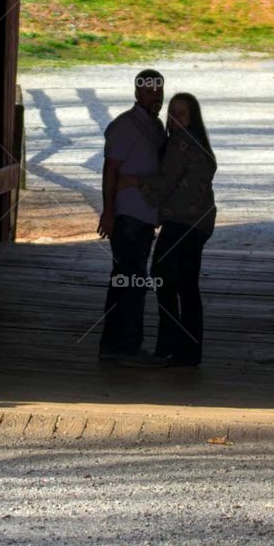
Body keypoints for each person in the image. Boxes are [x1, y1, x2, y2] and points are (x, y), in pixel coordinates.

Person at [119, 93, 217, 367]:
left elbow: (166, 181)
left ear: (192, 117)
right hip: (199, 223)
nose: (175, 118)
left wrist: (133, 182)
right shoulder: (200, 143)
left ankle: (171, 345)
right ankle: (187, 350)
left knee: (163, 278)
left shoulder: (180, 143)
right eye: (172, 113)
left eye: (181, 113)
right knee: (186, 285)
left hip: (182, 223)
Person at [97, 70, 166, 365]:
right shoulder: (125, 126)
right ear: (137, 93)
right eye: (150, 91)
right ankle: (126, 348)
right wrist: (108, 212)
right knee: (131, 282)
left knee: (127, 281)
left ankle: (114, 346)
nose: (156, 96)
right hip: (127, 216)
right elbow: (110, 171)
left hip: (145, 216)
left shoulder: (155, 126)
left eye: (159, 90)